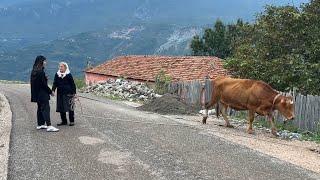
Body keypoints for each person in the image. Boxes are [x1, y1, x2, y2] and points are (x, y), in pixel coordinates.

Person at [30, 55, 59, 132]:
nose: (45, 62)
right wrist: (51, 92)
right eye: (44, 61)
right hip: (43, 95)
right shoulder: (40, 72)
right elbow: (43, 85)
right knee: (46, 109)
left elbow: (37, 83)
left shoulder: (34, 70)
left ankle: (40, 124)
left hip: (37, 94)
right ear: (41, 62)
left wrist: (45, 78)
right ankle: (49, 126)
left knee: (40, 109)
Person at [52, 62, 77, 126]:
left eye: (61, 66)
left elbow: (73, 84)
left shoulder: (68, 75)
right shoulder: (57, 74)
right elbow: (55, 83)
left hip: (69, 93)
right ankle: (64, 121)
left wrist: (74, 93)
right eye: (59, 66)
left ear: (65, 67)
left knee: (70, 107)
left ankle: (72, 121)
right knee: (61, 107)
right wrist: (53, 90)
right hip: (60, 93)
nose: (60, 68)